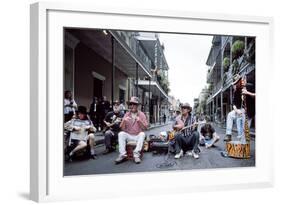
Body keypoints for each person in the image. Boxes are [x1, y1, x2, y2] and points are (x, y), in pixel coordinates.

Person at [115, 96, 148, 164]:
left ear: (137, 106)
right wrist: (124, 121)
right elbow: (121, 128)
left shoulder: (142, 114)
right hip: (129, 135)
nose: (132, 106)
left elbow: (145, 128)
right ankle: (122, 155)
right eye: (130, 104)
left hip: (137, 135)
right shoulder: (127, 114)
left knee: (142, 134)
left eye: (134, 104)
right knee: (121, 134)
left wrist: (140, 121)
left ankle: (136, 155)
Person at [224, 74, 255, 142]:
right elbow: (234, 103)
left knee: (245, 131)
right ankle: (228, 134)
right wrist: (236, 110)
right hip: (241, 110)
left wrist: (248, 93)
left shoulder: (250, 86)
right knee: (230, 115)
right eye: (235, 83)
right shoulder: (237, 90)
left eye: (237, 83)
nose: (236, 85)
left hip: (249, 112)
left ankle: (243, 148)